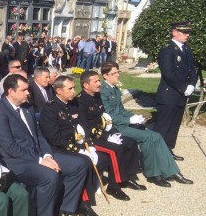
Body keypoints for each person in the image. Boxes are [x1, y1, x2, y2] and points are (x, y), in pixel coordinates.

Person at [0, 75, 87, 216]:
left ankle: (64, 210)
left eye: (28, 89)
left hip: (38, 155)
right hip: (17, 161)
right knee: (49, 176)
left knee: (79, 164)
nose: (28, 93)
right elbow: (10, 148)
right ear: (11, 91)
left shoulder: (26, 107)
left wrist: (47, 155)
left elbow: (38, 135)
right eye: (24, 90)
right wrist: (41, 161)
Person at [100, 61, 192, 187]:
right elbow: (108, 115)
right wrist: (129, 120)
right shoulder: (103, 91)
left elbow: (121, 110)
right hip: (115, 127)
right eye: (114, 73)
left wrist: (134, 116)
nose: (117, 75)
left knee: (156, 136)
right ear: (105, 76)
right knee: (148, 137)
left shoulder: (114, 88)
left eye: (118, 72)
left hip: (123, 123)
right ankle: (153, 174)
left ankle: (172, 171)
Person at [40, 76, 108, 216]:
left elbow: (83, 126)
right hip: (58, 149)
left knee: (99, 158)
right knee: (84, 162)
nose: (74, 91)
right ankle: (82, 205)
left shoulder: (73, 104)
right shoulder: (50, 108)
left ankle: (84, 201)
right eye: (70, 88)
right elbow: (54, 138)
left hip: (75, 144)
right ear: (58, 90)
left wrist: (89, 144)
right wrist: (77, 148)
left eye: (73, 87)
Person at [77, 71, 145, 196]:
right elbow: (85, 128)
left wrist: (114, 133)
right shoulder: (80, 101)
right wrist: (107, 137)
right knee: (116, 149)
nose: (99, 84)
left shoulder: (97, 97)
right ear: (86, 85)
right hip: (92, 138)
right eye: (96, 81)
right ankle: (114, 185)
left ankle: (127, 177)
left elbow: (105, 119)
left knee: (130, 143)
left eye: (99, 80)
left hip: (105, 133)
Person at [153, 21, 197, 160]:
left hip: (181, 96)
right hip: (169, 95)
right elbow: (168, 73)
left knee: (174, 127)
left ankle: (167, 151)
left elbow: (193, 70)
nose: (187, 35)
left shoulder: (186, 49)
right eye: (184, 32)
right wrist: (183, 87)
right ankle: (156, 155)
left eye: (188, 32)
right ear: (174, 32)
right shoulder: (167, 50)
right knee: (163, 127)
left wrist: (191, 85)